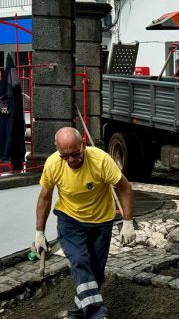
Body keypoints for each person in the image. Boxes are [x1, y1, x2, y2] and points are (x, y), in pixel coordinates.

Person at [32, 127, 135, 319]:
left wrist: (127, 222)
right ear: (57, 149)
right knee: (80, 261)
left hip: (101, 220)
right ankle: (97, 315)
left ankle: (76, 316)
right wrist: (39, 232)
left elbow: (125, 188)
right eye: (65, 156)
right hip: (69, 220)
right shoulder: (53, 164)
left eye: (75, 155)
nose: (71, 160)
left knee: (95, 274)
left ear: (84, 145)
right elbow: (45, 198)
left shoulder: (101, 160)